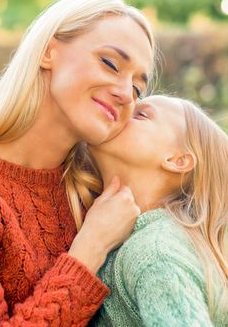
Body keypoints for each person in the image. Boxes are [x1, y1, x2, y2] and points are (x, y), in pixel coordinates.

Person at [0, 0, 155, 325]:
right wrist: (91, 247)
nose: (126, 95)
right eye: (110, 63)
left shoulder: (104, 196)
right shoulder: (102, 222)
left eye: (139, 89)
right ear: (47, 52)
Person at [87, 94, 228, 326]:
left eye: (141, 115)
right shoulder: (156, 240)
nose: (121, 112)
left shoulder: (154, 253)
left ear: (177, 160)